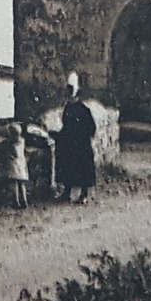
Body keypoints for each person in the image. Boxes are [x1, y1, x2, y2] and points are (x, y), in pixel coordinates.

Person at [54, 73, 97, 204]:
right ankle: (67, 192)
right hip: (69, 142)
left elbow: (91, 128)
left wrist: (81, 136)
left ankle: (84, 194)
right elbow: (65, 124)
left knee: (82, 167)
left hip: (81, 143)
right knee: (67, 166)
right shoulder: (67, 108)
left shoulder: (83, 110)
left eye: (71, 89)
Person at [0, 123, 30, 209]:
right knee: (22, 184)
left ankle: (16, 202)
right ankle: (24, 201)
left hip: (14, 166)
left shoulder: (11, 144)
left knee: (15, 184)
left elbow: (10, 151)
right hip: (21, 164)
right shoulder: (22, 141)